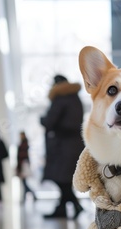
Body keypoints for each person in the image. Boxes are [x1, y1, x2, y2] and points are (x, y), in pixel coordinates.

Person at [41, 74, 84, 219]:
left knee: (61, 179)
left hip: (61, 147)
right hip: (74, 145)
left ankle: (74, 205)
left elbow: (49, 121)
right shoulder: (75, 98)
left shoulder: (60, 98)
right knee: (64, 179)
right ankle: (63, 208)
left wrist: (42, 119)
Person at [16, 131, 36, 203]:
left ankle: (26, 197)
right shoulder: (23, 144)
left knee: (24, 183)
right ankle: (28, 196)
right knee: (24, 183)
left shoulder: (23, 145)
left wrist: (19, 167)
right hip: (23, 165)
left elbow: (22, 156)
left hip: (23, 165)